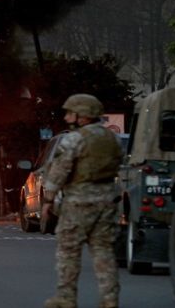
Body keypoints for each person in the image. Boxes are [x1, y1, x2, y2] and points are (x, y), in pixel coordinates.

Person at [42, 94, 122, 308]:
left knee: (68, 249)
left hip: (79, 201)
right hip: (107, 200)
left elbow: (60, 170)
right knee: (104, 250)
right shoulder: (113, 139)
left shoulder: (74, 139)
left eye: (71, 113)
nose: (67, 117)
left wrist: (48, 198)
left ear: (83, 116)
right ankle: (110, 298)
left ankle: (66, 298)